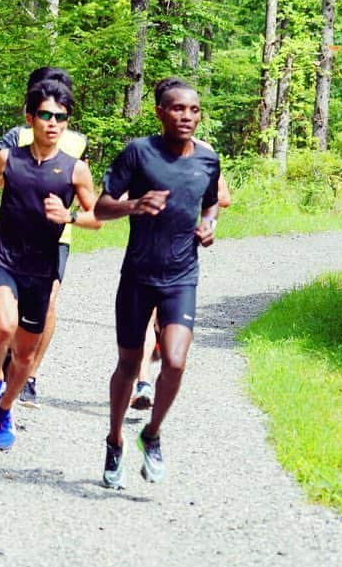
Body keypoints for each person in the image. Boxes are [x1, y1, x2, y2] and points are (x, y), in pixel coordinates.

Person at [95, 77, 221, 488]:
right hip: (137, 275)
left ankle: (151, 434)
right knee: (129, 365)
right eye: (178, 109)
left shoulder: (208, 159)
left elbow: (210, 203)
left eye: (194, 110)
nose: (187, 116)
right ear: (160, 112)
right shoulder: (139, 153)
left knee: (176, 361)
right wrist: (134, 204)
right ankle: (115, 440)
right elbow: (100, 206)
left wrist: (208, 225)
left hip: (182, 275)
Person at [0, 76, 99, 451]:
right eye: (45, 115)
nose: (53, 123)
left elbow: (97, 216)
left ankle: (5, 409)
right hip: (3, 256)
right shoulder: (10, 157)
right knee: (4, 325)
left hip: (41, 267)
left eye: (61, 117)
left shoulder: (75, 169)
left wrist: (68, 217)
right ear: (30, 117)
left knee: (24, 355)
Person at [0, 67, 101, 408]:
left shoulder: (77, 142)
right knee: (9, 313)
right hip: (13, 237)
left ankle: (30, 376)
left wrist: (70, 215)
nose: (53, 118)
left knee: (48, 304)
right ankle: (5, 366)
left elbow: (85, 191)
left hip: (56, 238)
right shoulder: (14, 138)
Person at [130, 168, 231, 410]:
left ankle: (158, 354)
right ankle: (143, 382)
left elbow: (223, 198)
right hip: (147, 251)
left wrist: (206, 223)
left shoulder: (204, 155)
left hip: (181, 255)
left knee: (167, 324)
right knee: (147, 317)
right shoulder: (149, 153)